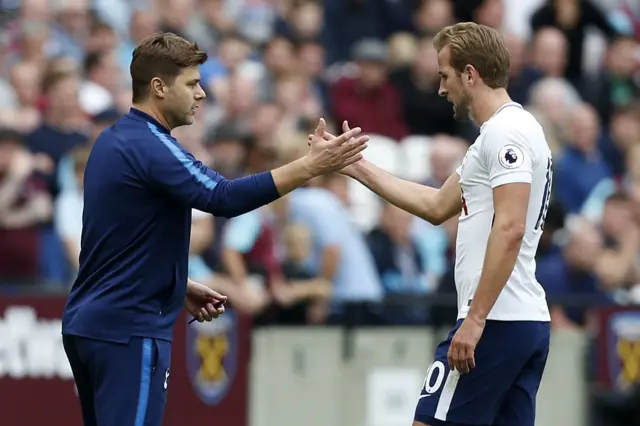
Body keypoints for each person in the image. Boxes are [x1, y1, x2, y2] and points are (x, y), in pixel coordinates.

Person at [61, 32, 367, 426]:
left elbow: (109, 241)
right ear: (158, 87)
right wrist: (310, 167)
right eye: (191, 83)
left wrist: (176, 283)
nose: (201, 94)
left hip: (89, 325)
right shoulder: (152, 146)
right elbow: (222, 197)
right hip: (129, 330)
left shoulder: (110, 141)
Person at [335, 22, 553, 426]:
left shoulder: (505, 134)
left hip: (495, 322)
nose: (440, 88)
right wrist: (356, 167)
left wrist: (475, 318)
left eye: (444, 75)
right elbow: (435, 206)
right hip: (521, 320)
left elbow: (510, 228)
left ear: (469, 74)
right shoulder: (503, 133)